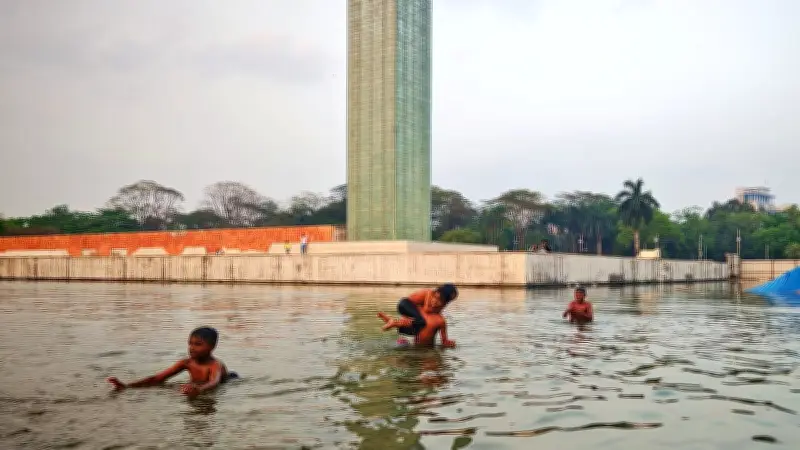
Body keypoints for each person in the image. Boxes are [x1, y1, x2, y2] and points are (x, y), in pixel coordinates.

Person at [106, 327, 237, 397]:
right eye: (190, 343)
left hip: (227, 381)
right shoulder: (186, 363)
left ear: (212, 347)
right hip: (197, 386)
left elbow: (214, 382)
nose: (192, 347)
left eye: (198, 344)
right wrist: (128, 386)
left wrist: (199, 389)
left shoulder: (215, 365)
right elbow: (158, 378)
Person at [377, 283, 459, 347]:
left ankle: (392, 322)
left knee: (416, 323)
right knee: (417, 323)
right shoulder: (423, 302)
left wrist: (449, 343)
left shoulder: (440, 321)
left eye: (439, 301)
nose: (434, 302)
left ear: (444, 304)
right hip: (405, 305)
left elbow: (444, 342)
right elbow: (420, 308)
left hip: (426, 350)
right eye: (434, 298)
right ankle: (393, 323)